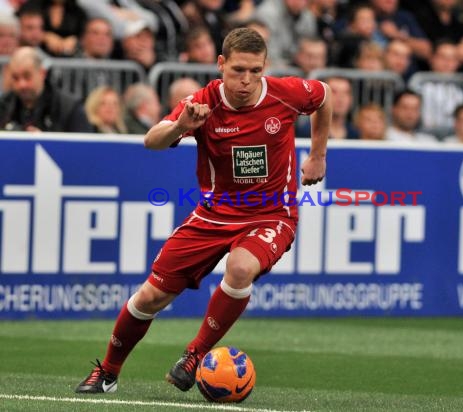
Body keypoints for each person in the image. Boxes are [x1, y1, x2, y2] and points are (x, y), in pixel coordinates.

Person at [75, 27, 331, 394]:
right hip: (214, 215)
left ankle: (195, 354)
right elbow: (152, 141)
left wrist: (318, 154)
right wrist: (182, 125)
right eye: (238, 70)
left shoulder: (286, 94)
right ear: (220, 64)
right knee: (150, 297)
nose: (246, 80)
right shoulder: (203, 102)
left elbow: (324, 97)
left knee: (240, 268)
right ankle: (109, 373)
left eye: (255, 71)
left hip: (272, 214)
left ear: (265, 67)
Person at [0, 46, 92, 132]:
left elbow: (84, 147)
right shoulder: (3, 106)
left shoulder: (69, 108)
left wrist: (45, 143)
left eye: (27, 77)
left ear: (42, 73)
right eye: (15, 78)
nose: (21, 84)